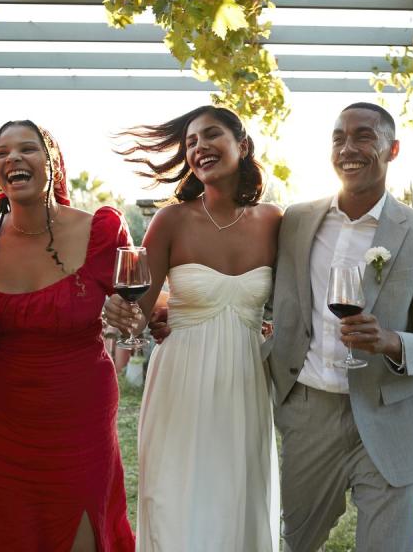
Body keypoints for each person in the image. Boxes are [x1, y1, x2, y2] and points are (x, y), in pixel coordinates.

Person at [266, 103, 413, 552]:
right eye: (338, 138)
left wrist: (392, 342)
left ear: (392, 149)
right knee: (296, 543)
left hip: (391, 413)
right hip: (309, 412)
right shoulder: (294, 220)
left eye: (363, 136)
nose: (348, 148)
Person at [0, 120, 134, 552]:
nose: (12, 158)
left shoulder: (102, 231)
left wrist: (128, 317)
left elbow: (133, 313)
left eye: (27, 149)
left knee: (78, 531)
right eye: (1, 152)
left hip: (79, 417)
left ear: (52, 162)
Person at [104, 105, 281, 551]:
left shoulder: (276, 221)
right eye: (190, 142)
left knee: (238, 500)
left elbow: (295, 304)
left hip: (245, 383)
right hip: (180, 381)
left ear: (241, 145)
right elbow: (138, 315)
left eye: (211, 135)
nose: (199, 147)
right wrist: (127, 316)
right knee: (174, 499)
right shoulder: (171, 220)